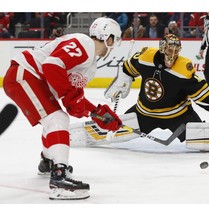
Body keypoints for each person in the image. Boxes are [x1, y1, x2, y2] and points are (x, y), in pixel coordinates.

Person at [3, 17, 122, 200]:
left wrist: (97, 113)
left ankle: (48, 160)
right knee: (57, 119)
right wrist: (70, 96)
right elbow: (52, 65)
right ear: (110, 38)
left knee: (54, 119)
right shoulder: (84, 43)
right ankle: (59, 177)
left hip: (34, 79)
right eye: (115, 40)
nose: (114, 45)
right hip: (26, 73)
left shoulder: (90, 65)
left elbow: (73, 101)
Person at [103, 34, 209, 143]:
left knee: (200, 138)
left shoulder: (183, 68)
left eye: (176, 50)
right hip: (144, 113)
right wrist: (123, 79)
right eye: (170, 50)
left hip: (177, 116)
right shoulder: (145, 57)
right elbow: (129, 67)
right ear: (162, 49)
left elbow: (200, 92)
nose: (172, 55)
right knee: (116, 130)